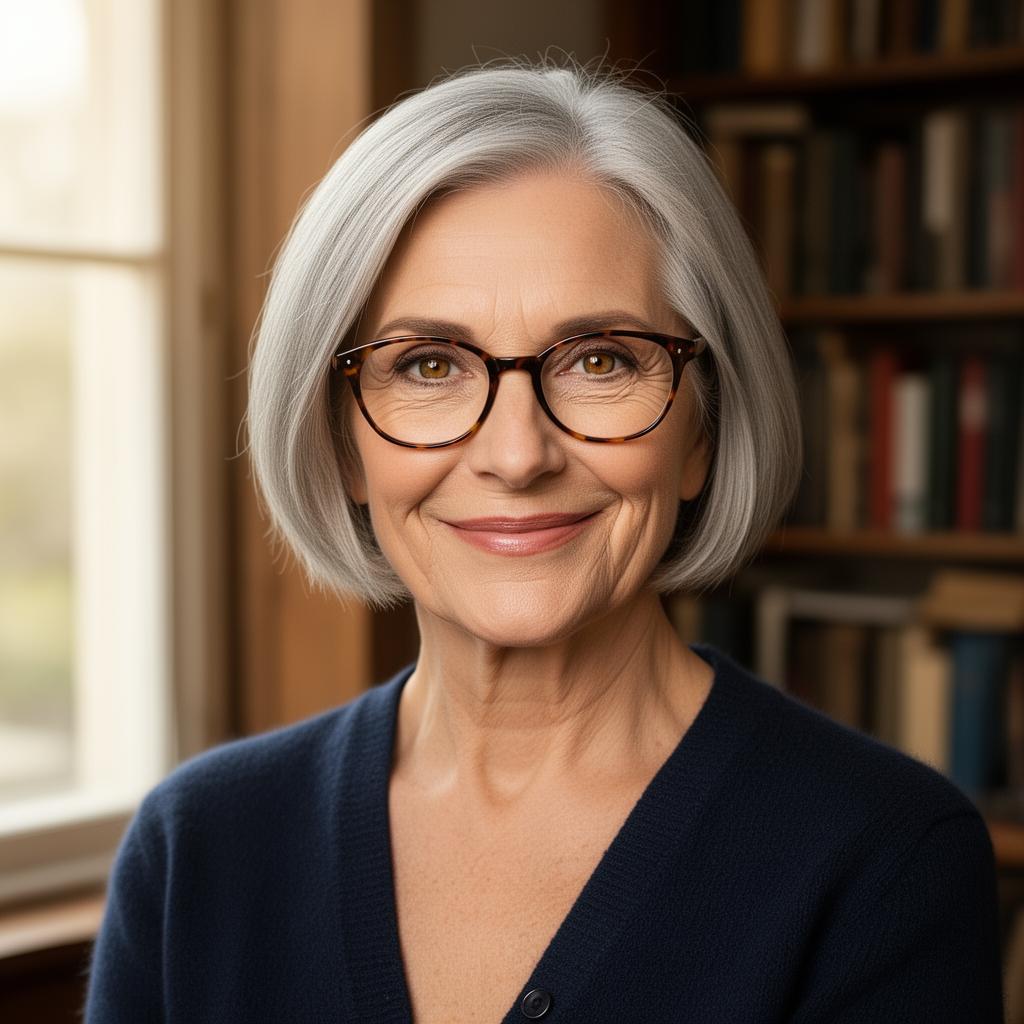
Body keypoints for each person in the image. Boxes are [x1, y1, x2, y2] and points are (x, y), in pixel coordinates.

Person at [84, 56, 1005, 1023]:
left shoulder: (885, 860)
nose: (517, 454)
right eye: (428, 364)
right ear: (342, 444)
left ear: (703, 428)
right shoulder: (197, 848)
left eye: (601, 359)